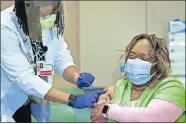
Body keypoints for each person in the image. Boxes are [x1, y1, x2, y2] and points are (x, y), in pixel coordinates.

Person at [1, 0, 106, 122]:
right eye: (42, 15)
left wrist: (76, 77)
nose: (46, 19)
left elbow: (61, 57)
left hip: (30, 101)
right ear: (26, 11)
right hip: (7, 102)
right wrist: (72, 99)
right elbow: (24, 78)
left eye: (50, 13)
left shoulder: (49, 21)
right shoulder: (5, 27)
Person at [90, 34, 185, 122]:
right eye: (131, 56)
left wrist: (108, 111)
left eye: (143, 59)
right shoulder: (121, 86)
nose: (135, 62)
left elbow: (155, 117)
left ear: (158, 63)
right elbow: (98, 115)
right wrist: (101, 105)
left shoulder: (172, 87)